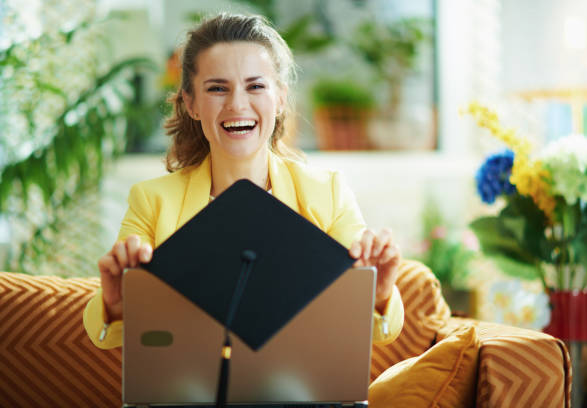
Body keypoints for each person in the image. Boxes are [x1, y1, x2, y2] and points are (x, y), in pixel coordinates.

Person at [83, 13, 404, 350]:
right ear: (191, 103)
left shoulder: (327, 194)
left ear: (280, 98)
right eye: (217, 88)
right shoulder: (152, 201)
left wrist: (378, 295)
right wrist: (116, 303)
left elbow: (375, 331)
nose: (237, 104)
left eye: (255, 86)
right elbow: (106, 336)